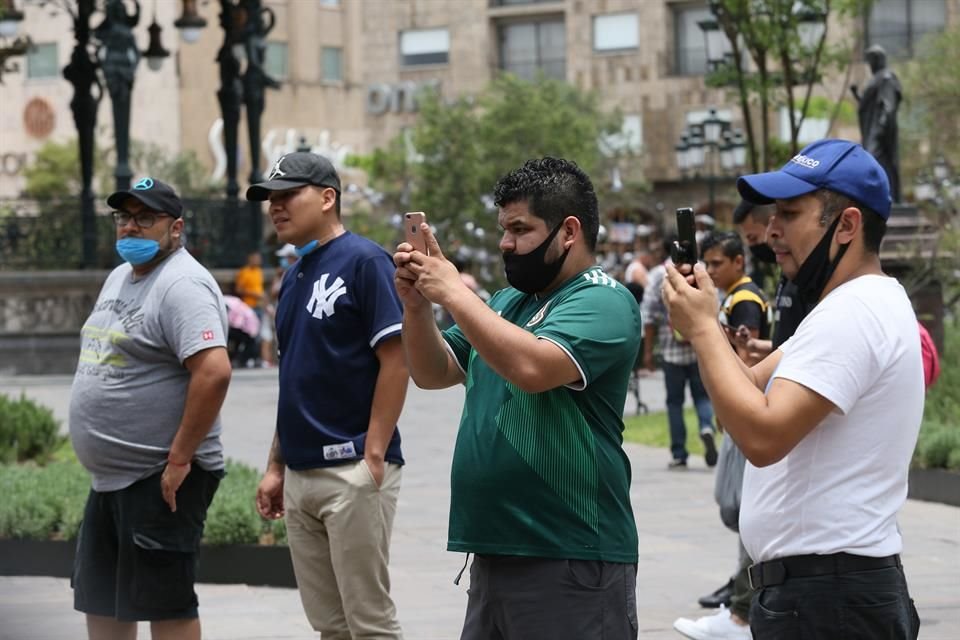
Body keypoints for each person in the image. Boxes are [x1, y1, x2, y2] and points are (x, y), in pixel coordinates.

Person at [663, 139, 923, 639]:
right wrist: (704, 322)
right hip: (823, 593)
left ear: (847, 225)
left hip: (830, 599)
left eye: (789, 214)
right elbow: (744, 389)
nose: (771, 232)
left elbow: (762, 437)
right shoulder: (846, 306)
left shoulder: (855, 311)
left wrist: (703, 329)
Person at [394, 157, 641, 639]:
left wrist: (455, 292)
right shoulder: (507, 302)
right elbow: (433, 371)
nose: (505, 243)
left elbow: (533, 368)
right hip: (494, 553)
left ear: (568, 232)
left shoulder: (604, 299)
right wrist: (418, 307)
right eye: (503, 229)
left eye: (520, 229)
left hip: (569, 556)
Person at [248, 152, 409, 639]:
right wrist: (276, 465)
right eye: (271, 198)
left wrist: (373, 454)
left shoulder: (365, 260)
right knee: (329, 626)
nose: (276, 206)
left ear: (326, 197)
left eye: (287, 195)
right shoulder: (293, 277)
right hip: (301, 473)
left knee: (369, 623)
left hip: (352, 466)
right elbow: (295, 377)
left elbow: (397, 359)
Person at [69, 177, 232, 640]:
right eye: (124, 217)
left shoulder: (183, 284)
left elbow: (214, 372)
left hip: (160, 475)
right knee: (102, 600)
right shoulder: (120, 275)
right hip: (113, 480)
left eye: (145, 218)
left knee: (166, 604)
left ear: (175, 228)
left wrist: (179, 458)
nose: (130, 227)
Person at [673, 231, 769, 640]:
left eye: (716, 263)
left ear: (738, 262)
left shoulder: (745, 299)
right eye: (706, 263)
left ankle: (743, 612)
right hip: (742, 409)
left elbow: (745, 359)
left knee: (743, 509)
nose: (709, 270)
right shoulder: (735, 298)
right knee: (739, 509)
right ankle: (745, 598)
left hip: (747, 412)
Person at [641, 237, 718, 468]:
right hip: (696, 349)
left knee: (674, 402)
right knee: (702, 396)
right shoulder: (698, 269)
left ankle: (679, 453)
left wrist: (648, 352)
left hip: (670, 352)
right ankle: (706, 427)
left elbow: (649, 315)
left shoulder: (658, 275)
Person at [851, 44, 902, 201]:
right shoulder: (876, 79)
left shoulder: (886, 77)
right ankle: (882, 197)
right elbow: (870, 107)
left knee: (874, 161)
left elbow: (888, 105)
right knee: (876, 162)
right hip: (872, 130)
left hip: (880, 130)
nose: (870, 65)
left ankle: (886, 197)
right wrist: (857, 95)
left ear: (879, 59)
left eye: (872, 61)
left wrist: (881, 128)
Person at [235, 250, 265, 314]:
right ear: (250, 259)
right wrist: (254, 294)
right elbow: (238, 290)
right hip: (248, 305)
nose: (259, 260)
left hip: (259, 305)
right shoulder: (244, 272)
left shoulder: (259, 271)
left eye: (259, 258)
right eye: (256, 258)